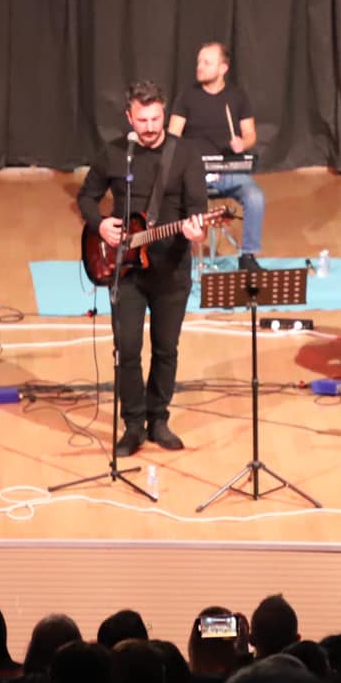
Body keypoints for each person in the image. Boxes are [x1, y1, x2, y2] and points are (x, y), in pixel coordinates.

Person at [77, 81, 209, 457]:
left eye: (156, 119)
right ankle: (133, 424)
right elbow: (86, 196)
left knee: (166, 349)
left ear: (164, 114)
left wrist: (195, 231)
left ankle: (159, 419)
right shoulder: (117, 153)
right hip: (127, 271)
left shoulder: (185, 155)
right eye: (142, 120)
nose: (150, 127)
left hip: (171, 271)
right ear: (129, 117)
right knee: (128, 349)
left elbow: (198, 208)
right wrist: (99, 224)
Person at [167, 40, 266, 270]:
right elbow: (172, 136)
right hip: (194, 172)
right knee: (175, 199)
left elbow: (251, 134)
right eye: (199, 62)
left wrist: (243, 143)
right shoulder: (187, 96)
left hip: (228, 169)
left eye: (207, 62)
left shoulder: (237, 96)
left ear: (223, 68)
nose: (199, 66)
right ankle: (177, 257)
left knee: (255, 197)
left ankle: (248, 256)